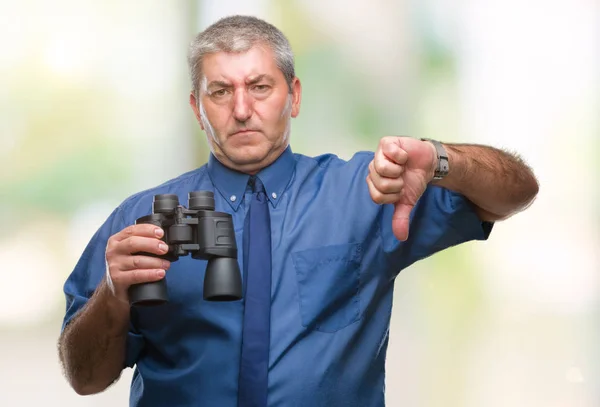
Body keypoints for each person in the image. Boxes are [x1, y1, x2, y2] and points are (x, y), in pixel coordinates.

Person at [57, 15, 538, 407]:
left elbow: (516, 192)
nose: (242, 109)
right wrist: (112, 294)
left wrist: (439, 159)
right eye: (221, 91)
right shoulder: (140, 220)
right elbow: (85, 379)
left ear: (295, 96)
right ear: (196, 107)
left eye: (260, 87)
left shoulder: (367, 192)